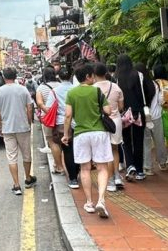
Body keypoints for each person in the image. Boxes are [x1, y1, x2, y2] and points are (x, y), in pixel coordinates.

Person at [62, 64, 114, 218]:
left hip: (80, 134)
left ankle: (90, 203)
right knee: (102, 168)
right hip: (99, 132)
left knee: (84, 169)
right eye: (92, 75)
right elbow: (108, 111)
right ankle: (101, 200)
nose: (93, 77)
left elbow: (68, 115)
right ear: (88, 77)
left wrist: (66, 134)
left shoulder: (71, 93)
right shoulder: (97, 91)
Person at [0, 67, 36, 195]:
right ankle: (28, 179)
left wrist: (0, 126)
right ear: (15, 76)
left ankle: (16, 185)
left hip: (7, 128)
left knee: (12, 157)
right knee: (27, 154)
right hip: (23, 127)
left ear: (4, 77)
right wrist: (29, 122)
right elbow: (29, 108)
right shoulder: (23, 90)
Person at [115, 54, 156, 182]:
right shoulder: (139, 75)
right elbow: (147, 92)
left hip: (124, 113)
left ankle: (130, 166)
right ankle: (139, 170)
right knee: (138, 141)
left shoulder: (117, 77)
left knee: (126, 140)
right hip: (138, 112)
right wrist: (145, 105)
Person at [94, 62, 125, 192]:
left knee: (105, 152)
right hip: (116, 121)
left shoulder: (93, 88)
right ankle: (117, 176)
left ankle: (111, 181)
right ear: (106, 73)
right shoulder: (116, 87)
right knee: (115, 149)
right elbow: (121, 106)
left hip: (101, 122)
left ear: (94, 74)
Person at [136, 62, 168, 175]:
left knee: (146, 142)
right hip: (156, 116)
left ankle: (148, 167)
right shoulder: (156, 84)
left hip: (144, 117)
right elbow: (161, 100)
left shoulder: (138, 85)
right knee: (159, 140)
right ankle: (162, 162)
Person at [52, 66, 80, 188]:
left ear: (58, 76)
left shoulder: (55, 91)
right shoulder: (76, 89)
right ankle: (77, 171)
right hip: (78, 121)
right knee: (78, 149)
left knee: (67, 150)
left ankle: (73, 178)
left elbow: (49, 107)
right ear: (71, 76)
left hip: (61, 123)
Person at [35, 67, 66, 174]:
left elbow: (39, 103)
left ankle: (59, 166)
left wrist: (48, 113)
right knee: (62, 142)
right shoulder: (61, 85)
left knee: (52, 142)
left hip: (48, 120)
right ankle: (59, 164)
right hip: (63, 118)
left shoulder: (41, 88)